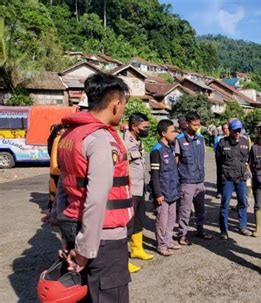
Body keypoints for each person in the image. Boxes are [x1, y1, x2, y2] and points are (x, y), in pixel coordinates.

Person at [55, 73, 132, 302]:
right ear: (116, 104)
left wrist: (65, 235)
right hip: (102, 239)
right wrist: (84, 252)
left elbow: (63, 185)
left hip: (74, 227)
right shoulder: (99, 140)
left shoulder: (71, 134)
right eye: (124, 105)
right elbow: (97, 198)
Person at [175, 112, 213, 245]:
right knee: (185, 210)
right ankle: (182, 235)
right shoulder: (179, 140)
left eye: (199, 124)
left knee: (200, 209)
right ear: (187, 124)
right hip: (186, 181)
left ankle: (200, 230)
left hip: (199, 180)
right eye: (194, 124)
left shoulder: (200, 139)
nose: (197, 127)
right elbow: (176, 161)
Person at [123, 113, 154, 273]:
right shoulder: (123, 141)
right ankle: (123, 260)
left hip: (139, 187)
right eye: (145, 127)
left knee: (139, 219)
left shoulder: (138, 141)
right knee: (127, 224)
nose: (147, 130)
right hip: (129, 189)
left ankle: (137, 249)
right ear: (134, 126)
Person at [150, 119, 182, 256]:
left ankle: (168, 241)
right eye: (172, 131)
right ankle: (161, 245)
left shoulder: (170, 147)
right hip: (162, 192)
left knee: (171, 219)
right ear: (163, 133)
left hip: (172, 190)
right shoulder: (156, 150)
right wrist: (157, 193)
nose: (175, 133)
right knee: (162, 221)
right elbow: (155, 175)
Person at [216, 119, 252, 239]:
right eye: (235, 130)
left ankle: (242, 226)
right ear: (229, 130)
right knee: (225, 204)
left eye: (239, 130)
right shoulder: (222, 143)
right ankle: (224, 230)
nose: (237, 132)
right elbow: (219, 162)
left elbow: (247, 160)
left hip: (241, 178)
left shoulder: (245, 142)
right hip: (227, 179)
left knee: (243, 202)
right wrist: (220, 180)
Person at [42, 124, 67, 223]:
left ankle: (53, 212)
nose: (64, 130)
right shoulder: (59, 139)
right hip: (57, 169)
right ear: (58, 131)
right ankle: (55, 214)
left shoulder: (55, 139)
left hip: (54, 169)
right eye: (62, 129)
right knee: (58, 194)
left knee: (55, 193)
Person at [214, 122, 230, 199]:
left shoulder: (232, 137)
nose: (226, 130)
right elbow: (216, 149)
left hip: (229, 159)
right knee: (220, 175)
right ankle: (219, 191)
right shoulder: (218, 138)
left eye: (227, 128)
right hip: (220, 158)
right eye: (224, 129)